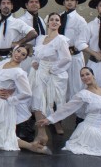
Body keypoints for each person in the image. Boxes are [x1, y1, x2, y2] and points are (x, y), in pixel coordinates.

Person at [37, 67, 101, 158]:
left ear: (93, 75)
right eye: (82, 76)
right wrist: (49, 119)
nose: (85, 77)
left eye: (87, 74)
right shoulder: (83, 94)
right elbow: (67, 108)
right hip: (90, 129)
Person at [29, 12, 72, 144]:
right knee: (38, 98)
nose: (54, 22)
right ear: (48, 22)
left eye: (57, 20)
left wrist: (54, 69)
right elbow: (37, 54)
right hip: (40, 72)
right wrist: (35, 62)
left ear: (60, 23)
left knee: (53, 100)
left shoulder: (61, 40)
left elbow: (66, 58)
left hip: (52, 72)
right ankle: (42, 130)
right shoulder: (41, 38)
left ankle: (56, 123)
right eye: (52, 19)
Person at [54, 0, 88, 101]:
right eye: (67, 0)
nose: (69, 2)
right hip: (59, 57)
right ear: (63, 3)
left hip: (73, 57)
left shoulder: (80, 20)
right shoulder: (58, 17)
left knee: (76, 87)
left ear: (76, 3)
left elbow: (82, 41)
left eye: (72, 0)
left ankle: (79, 115)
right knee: (60, 86)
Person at [0, 0, 37, 64]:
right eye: (3, 3)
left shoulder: (17, 22)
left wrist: (19, 43)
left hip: (10, 58)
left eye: (8, 3)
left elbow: (33, 33)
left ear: (12, 6)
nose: (6, 5)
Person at [85, 0, 101, 86]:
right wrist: (94, 53)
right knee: (94, 90)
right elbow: (80, 43)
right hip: (95, 63)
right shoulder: (90, 25)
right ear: (97, 8)